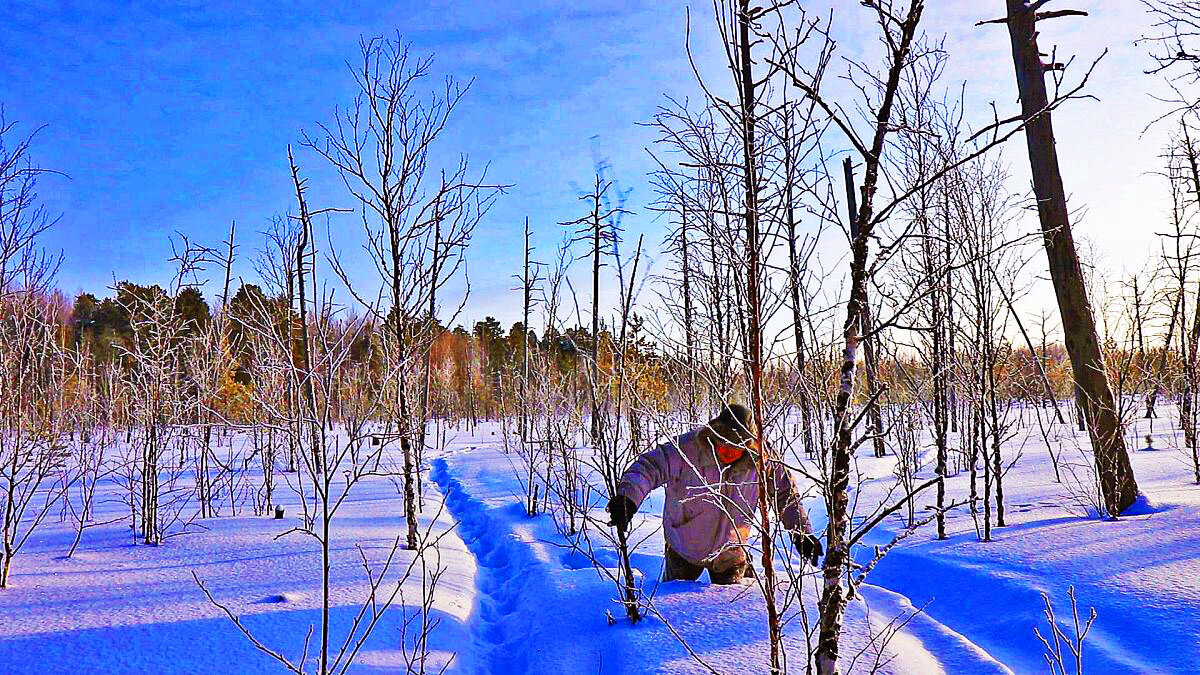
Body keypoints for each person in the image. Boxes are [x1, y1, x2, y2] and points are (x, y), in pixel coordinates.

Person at [606, 403, 822, 585]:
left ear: (747, 444)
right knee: (674, 604)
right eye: (723, 443)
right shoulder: (687, 449)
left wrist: (800, 531)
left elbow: (784, 491)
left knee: (734, 609)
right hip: (684, 545)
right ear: (715, 434)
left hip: (731, 549)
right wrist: (628, 498)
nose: (728, 450)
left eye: (736, 446)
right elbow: (649, 467)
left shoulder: (761, 459)